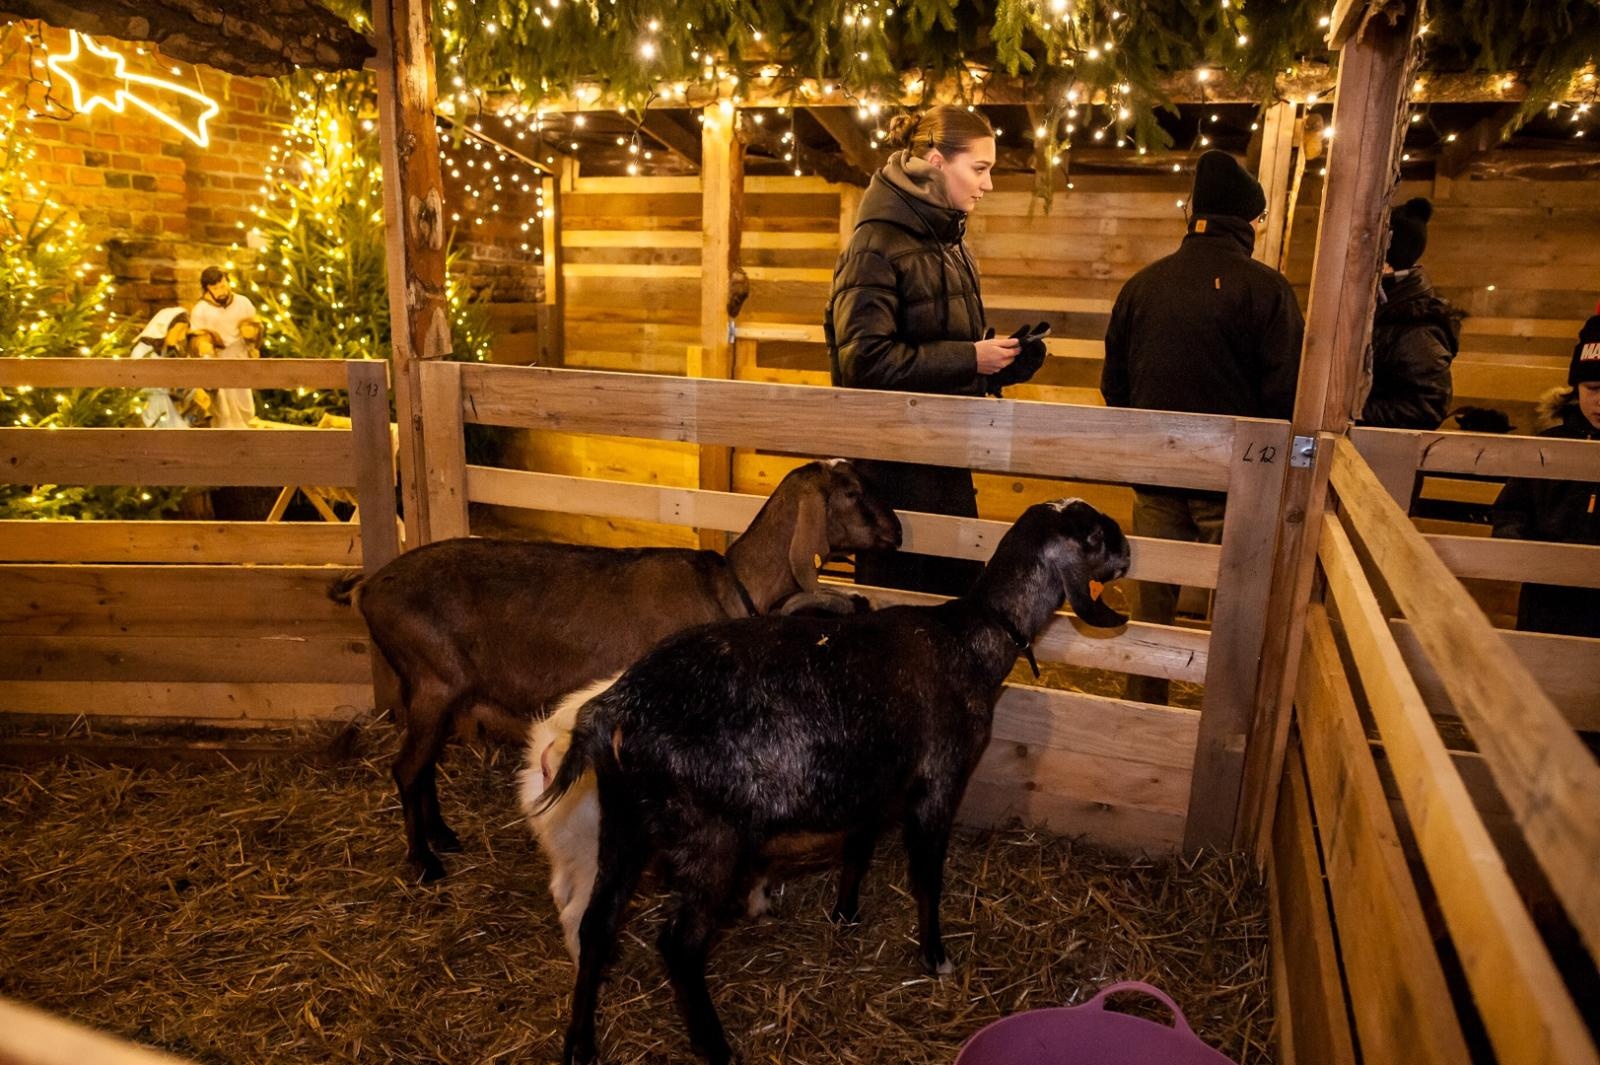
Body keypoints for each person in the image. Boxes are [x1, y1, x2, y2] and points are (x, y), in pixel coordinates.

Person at [1101, 149, 1305, 704]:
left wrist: (1144, 446)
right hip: (1234, 482)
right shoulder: (1266, 291)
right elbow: (1285, 396)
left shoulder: (1142, 287)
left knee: (1151, 606)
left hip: (1155, 475)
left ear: (1193, 214)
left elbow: (1114, 388)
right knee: (1237, 609)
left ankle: (1143, 711)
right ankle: (1228, 718)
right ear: (1249, 222)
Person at [826, 105, 1045, 595]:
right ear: (935, 161)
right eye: (980, 169)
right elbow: (863, 361)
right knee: (899, 625)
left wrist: (998, 363)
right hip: (891, 481)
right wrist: (971, 358)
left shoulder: (952, 245)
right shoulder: (875, 245)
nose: (987, 185)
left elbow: (936, 349)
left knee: (954, 619)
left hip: (945, 463)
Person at [1490, 308, 1600, 638]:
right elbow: (1511, 507)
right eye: (1593, 388)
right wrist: (1514, 543)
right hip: (1546, 607)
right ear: (1575, 388)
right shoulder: (1548, 449)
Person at [1360, 197, 1462, 429]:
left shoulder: (1417, 329)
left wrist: (1352, 412)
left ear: (1386, 264)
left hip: (1377, 454)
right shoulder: (1385, 311)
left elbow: (1424, 408)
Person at [188, 266, 260, 429]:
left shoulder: (243, 303)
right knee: (223, 407)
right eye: (215, 288)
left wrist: (252, 335)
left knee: (245, 403)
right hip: (217, 360)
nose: (221, 291)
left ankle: (246, 431)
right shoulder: (201, 310)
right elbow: (196, 337)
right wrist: (202, 345)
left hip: (239, 357)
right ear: (207, 289)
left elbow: (255, 326)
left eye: (223, 285)